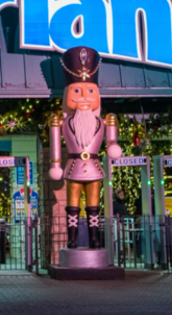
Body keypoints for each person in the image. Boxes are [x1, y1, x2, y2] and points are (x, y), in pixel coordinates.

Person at [48, 46, 123, 250]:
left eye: (90, 91)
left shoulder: (105, 121)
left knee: (93, 206)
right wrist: (55, 164)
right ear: (67, 93)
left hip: (94, 166)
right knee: (72, 206)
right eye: (77, 91)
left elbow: (111, 143)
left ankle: (94, 239)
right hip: (73, 167)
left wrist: (113, 145)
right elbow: (55, 145)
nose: (84, 97)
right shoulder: (61, 122)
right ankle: (72, 240)